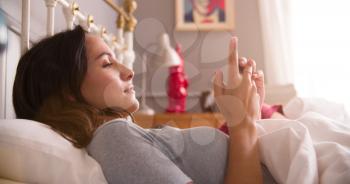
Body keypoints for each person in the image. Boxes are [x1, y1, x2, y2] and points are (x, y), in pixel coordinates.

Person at [13, 26, 267, 183]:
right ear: (68, 90)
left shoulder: (119, 136)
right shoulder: (112, 139)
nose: (128, 71)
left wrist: (250, 116)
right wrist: (242, 125)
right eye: (106, 63)